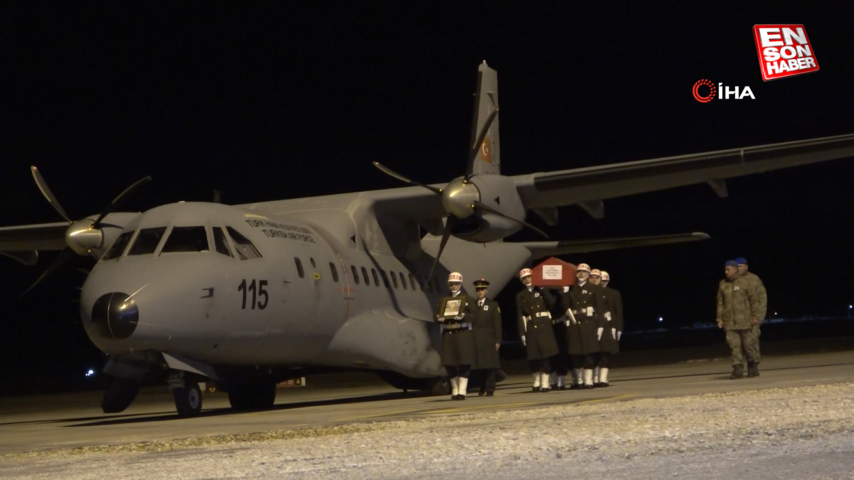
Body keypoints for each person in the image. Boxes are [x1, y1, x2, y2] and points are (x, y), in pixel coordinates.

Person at [561, 263, 607, 389]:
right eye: (579, 272)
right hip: (575, 323)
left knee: (589, 353)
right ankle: (579, 380)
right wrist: (565, 292)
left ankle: (588, 380)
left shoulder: (595, 288)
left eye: (584, 272)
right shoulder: (572, 289)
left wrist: (601, 326)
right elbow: (565, 306)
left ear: (588, 275)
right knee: (575, 354)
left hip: (589, 323)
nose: (581, 274)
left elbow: (600, 308)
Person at [516, 268, 560, 392]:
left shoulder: (541, 290)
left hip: (544, 325)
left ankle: (545, 382)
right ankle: (537, 380)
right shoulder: (520, 296)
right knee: (533, 356)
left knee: (546, 355)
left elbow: (551, 302)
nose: (527, 279)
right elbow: (520, 315)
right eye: (524, 278)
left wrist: (542, 288)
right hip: (531, 326)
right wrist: (522, 333)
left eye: (529, 277)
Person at [716, 260, 762, 379]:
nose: (725, 272)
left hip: (746, 321)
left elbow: (754, 300)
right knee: (734, 346)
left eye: (728, 270)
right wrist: (720, 318)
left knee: (748, 345)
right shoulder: (723, 284)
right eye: (725, 270)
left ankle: (752, 366)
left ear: (735, 270)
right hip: (730, 323)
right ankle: (737, 368)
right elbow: (720, 303)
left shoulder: (746, 283)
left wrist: (756, 316)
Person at [435, 272, 475, 400]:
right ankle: (455, 388)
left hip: (462, 333)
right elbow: (436, 314)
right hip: (448, 334)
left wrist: (464, 317)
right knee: (449, 363)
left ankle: (462, 390)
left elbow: (475, 316)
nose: (454, 286)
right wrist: (438, 318)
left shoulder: (467, 299)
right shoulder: (443, 300)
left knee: (464, 362)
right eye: (451, 284)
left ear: (460, 284)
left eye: (456, 284)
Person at [469, 278, 502, 396]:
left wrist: (498, 340)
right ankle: (481, 387)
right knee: (479, 366)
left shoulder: (493, 305)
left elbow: (497, 323)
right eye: (478, 289)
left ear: (486, 291)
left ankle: (490, 388)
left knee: (489, 366)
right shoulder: (472, 305)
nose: (480, 292)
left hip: (488, 338)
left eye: (482, 289)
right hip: (476, 338)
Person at [735, 257, 767, 377]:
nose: (738, 269)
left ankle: (754, 366)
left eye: (740, 266)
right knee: (738, 344)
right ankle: (738, 367)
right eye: (736, 267)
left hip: (752, 318)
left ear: (746, 266)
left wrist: (760, 316)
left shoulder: (754, 279)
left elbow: (762, 298)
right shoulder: (733, 280)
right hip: (738, 319)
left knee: (752, 342)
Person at [598, 271, 623, 387]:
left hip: (609, 326)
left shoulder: (613, 293)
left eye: (604, 281)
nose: (602, 283)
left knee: (606, 352)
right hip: (595, 325)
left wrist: (618, 328)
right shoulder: (592, 292)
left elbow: (618, 312)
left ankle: (603, 378)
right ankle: (595, 378)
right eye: (600, 280)